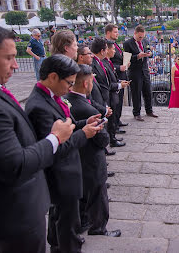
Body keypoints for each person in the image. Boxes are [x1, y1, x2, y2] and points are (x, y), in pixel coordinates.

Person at [0, 23, 74, 253]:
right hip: (16, 212)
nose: (15, 64)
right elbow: (15, 165)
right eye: (10, 57)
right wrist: (55, 138)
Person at [25, 55, 103, 253]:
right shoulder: (39, 106)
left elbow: (66, 127)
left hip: (68, 171)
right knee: (68, 225)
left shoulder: (51, 97)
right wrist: (84, 134)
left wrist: (84, 123)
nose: (71, 88)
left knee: (61, 220)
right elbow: (53, 148)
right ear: (52, 77)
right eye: (69, 83)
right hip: (61, 175)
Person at [65, 64, 121, 238]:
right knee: (98, 193)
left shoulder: (68, 100)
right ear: (85, 84)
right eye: (91, 81)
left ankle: (83, 221)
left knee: (83, 193)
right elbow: (103, 139)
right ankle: (98, 227)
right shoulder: (87, 107)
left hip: (79, 156)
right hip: (92, 157)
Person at [91, 38, 128, 147]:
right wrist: (119, 85)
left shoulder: (104, 62)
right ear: (103, 51)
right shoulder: (95, 64)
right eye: (108, 49)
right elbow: (104, 83)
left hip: (109, 95)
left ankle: (111, 138)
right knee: (107, 122)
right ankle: (109, 141)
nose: (112, 51)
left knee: (111, 120)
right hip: (105, 96)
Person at [123, 25, 158, 121]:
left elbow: (148, 50)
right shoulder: (127, 43)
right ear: (135, 33)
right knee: (136, 92)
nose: (141, 39)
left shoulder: (145, 41)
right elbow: (126, 59)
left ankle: (149, 110)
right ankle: (136, 113)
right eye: (139, 37)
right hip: (134, 71)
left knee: (148, 91)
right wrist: (137, 56)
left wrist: (149, 53)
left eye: (142, 37)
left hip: (145, 70)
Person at [105, 24, 130, 128]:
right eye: (115, 32)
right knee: (115, 102)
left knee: (119, 102)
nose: (117, 34)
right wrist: (119, 67)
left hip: (121, 75)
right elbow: (106, 62)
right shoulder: (106, 45)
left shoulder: (115, 44)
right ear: (108, 33)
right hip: (115, 77)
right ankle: (114, 124)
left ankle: (117, 120)